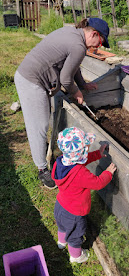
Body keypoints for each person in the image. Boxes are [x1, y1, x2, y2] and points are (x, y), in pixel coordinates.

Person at [14, 18, 110, 189]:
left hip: (29, 76)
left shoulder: (73, 33)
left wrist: (82, 85)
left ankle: (39, 148)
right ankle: (42, 169)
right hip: (31, 81)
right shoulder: (78, 46)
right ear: (94, 34)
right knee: (39, 125)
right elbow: (66, 79)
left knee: (40, 124)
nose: (99, 47)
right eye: (100, 42)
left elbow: (73, 68)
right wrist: (77, 92)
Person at [51, 127, 116, 263]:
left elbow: (80, 161)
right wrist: (108, 173)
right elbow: (98, 183)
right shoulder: (80, 174)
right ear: (80, 154)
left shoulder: (61, 161)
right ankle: (76, 256)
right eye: (86, 148)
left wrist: (98, 154)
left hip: (60, 206)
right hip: (74, 213)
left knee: (62, 226)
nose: (87, 149)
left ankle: (61, 242)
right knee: (75, 236)